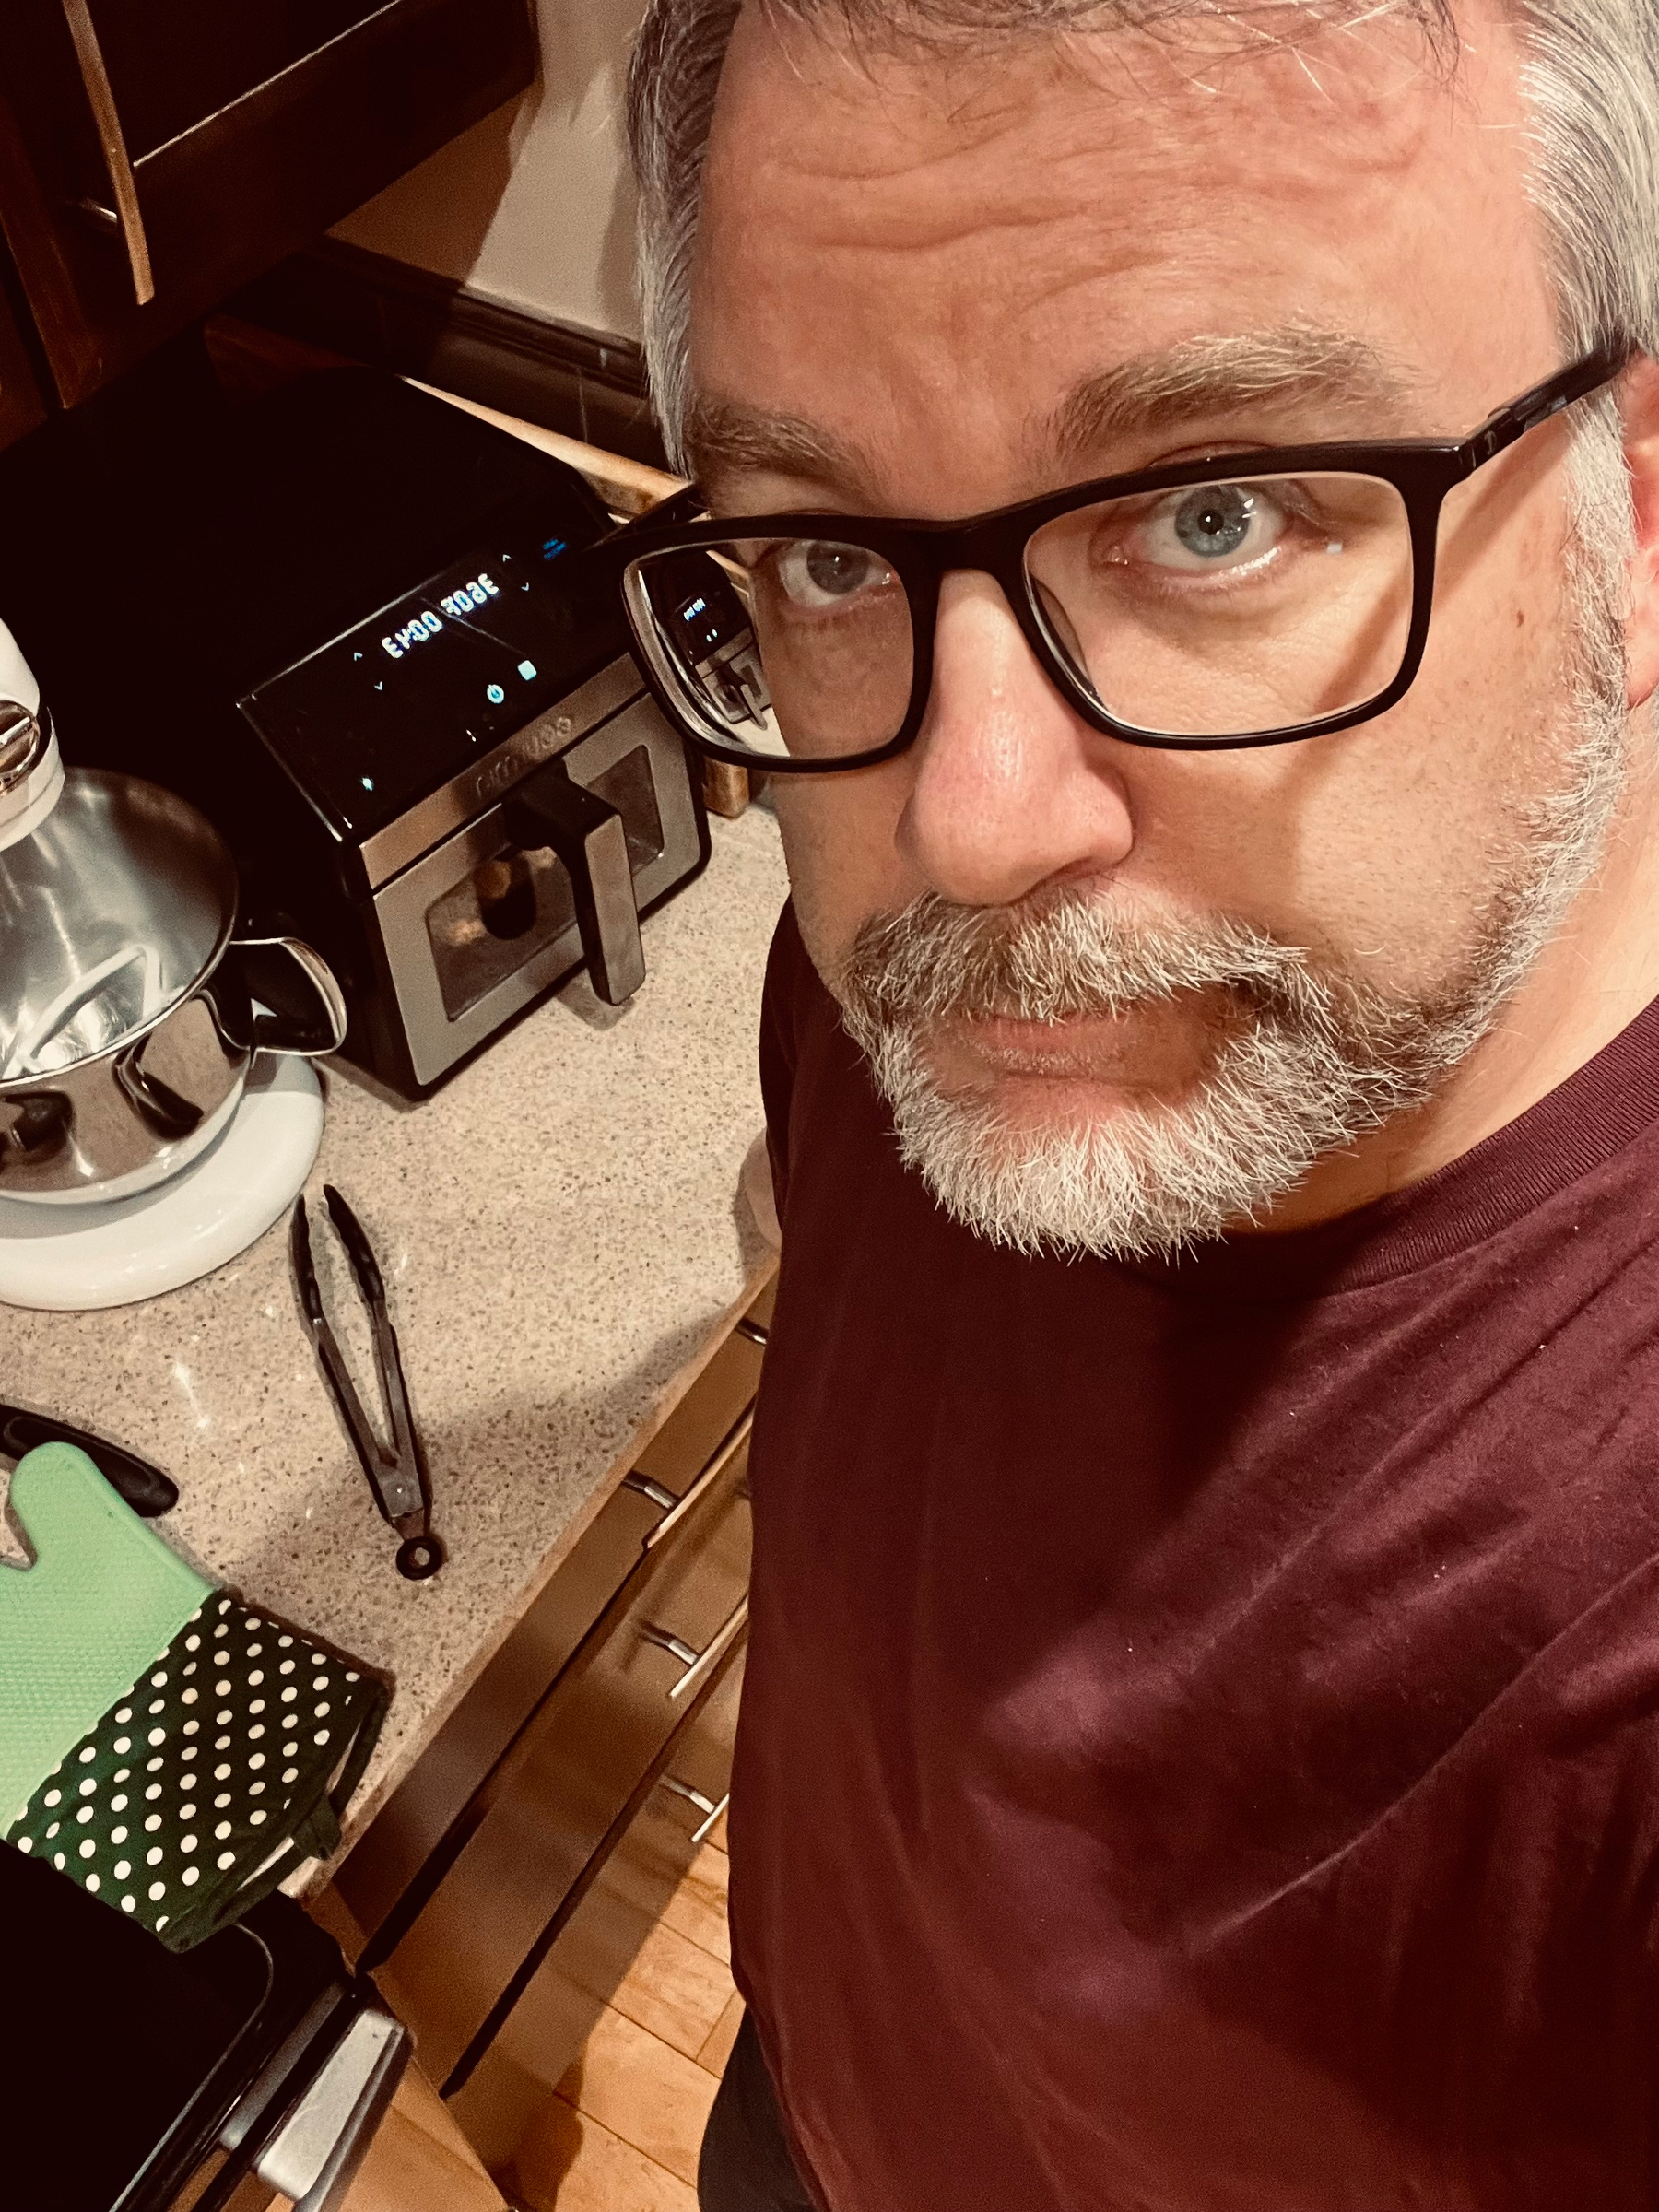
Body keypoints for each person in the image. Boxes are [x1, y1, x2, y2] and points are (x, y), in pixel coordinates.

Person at [609, 1, 1659, 2204]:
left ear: (1637, 509)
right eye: (815, 550)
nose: (967, 822)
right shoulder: (954, 951)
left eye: (1213, 514)